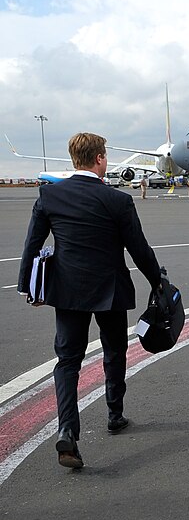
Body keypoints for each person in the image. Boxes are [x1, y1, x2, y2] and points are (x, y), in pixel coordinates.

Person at [17, 132, 162, 469]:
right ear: (99, 159)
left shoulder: (50, 197)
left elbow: (32, 245)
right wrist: (158, 282)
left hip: (66, 292)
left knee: (67, 362)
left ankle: (68, 429)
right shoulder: (117, 201)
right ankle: (115, 412)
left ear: (73, 159)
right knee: (114, 350)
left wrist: (29, 287)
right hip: (110, 290)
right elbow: (138, 249)